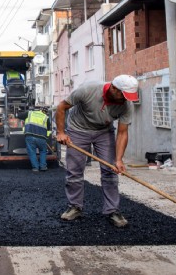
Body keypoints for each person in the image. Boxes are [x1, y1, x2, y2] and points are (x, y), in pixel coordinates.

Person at [55, 74, 139, 228]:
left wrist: (119, 159)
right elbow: (61, 107)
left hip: (104, 132)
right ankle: (75, 207)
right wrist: (61, 132)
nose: (124, 99)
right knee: (74, 171)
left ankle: (113, 210)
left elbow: (122, 133)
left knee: (110, 170)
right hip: (78, 130)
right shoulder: (88, 89)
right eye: (123, 95)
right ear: (113, 88)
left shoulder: (126, 104)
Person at [24, 107, 52, 172]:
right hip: (42, 138)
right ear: (46, 112)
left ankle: (35, 168)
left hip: (30, 136)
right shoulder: (46, 117)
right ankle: (43, 167)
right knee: (43, 151)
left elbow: (19, 116)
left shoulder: (30, 113)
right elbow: (48, 128)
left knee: (32, 152)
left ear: (40, 110)